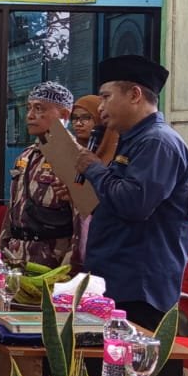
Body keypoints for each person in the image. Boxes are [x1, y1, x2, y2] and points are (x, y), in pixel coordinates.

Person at [75, 54, 188, 331]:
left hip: (139, 289)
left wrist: (95, 169)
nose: (101, 107)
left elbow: (134, 203)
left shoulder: (158, 143)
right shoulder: (133, 140)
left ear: (134, 95)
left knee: (129, 358)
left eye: (106, 97)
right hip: (116, 281)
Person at [0, 81, 79, 269]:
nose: (30, 116)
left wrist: (69, 271)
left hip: (51, 263)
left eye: (39, 109)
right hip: (16, 258)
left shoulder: (75, 158)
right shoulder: (26, 156)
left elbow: (82, 224)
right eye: (29, 108)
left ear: (64, 115)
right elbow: (14, 207)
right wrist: (1, 249)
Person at [69, 94, 119, 272]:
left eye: (86, 118)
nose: (78, 123)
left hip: (108, 248)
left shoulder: (115, 155)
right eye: (75, 118)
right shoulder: (69, 153)